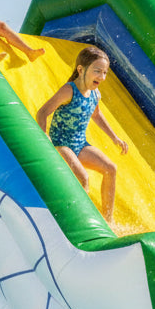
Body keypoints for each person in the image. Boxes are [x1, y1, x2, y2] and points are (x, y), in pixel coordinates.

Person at [35, 45, 128, 225]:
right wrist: (43, 136)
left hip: (79, 145)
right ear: (81, 69)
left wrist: (114, 137)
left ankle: (108, 222)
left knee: (111, 169)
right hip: (60, 145)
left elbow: (96, 114)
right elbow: (43, 112)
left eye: (105, 72)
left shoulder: (95, 94)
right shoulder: (69, 90)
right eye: (97, 71)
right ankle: (80, 222)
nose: (102, 77)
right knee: (83, 177)